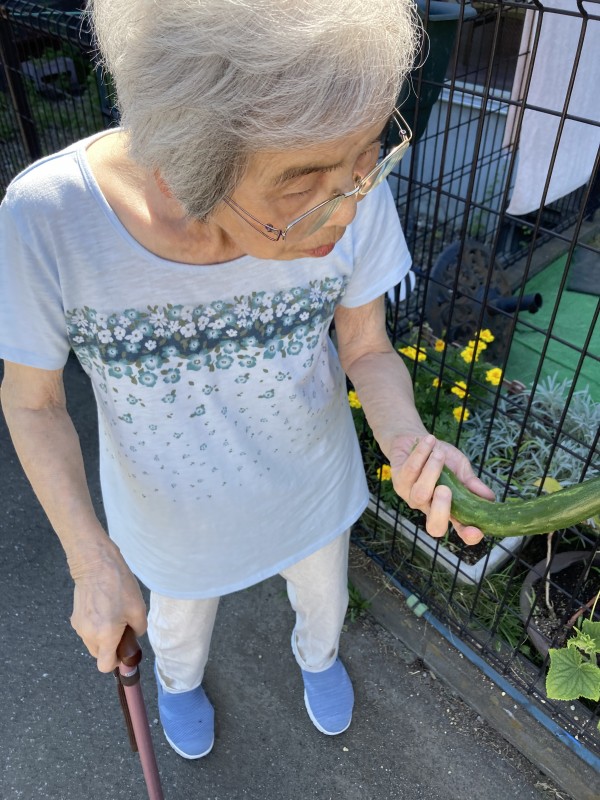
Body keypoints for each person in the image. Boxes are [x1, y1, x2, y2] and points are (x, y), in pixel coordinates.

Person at [0, 0, 494, 760]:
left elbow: (365, 345)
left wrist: (406, 442)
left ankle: (318, 659)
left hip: (313, 489)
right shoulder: (50, 220)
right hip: (170, 521)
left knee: (324, 604)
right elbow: (33, 403)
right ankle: (179, 683)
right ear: (192, 162)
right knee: (176, 630)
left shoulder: (347, 177)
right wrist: (91, 558)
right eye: (301, 185)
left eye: (369, 154)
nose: (349, 207)